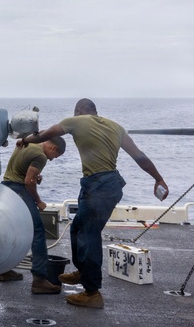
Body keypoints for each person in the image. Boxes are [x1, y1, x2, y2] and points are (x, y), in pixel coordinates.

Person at [17, 99, 169, 309]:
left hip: (98, 186)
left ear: (78, 110)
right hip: (109, 184)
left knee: (89, 235)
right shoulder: (116, 127)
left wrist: (25, 139)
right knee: (78, 227)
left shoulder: (76, 121)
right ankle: (83, 271)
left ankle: (92, 292)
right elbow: (139, 156)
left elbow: (45, 135)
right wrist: (158, 178)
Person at [0, 136, 67, 294]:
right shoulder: (41, 156)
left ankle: (4, 270)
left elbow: (22, 169)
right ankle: (39, 279)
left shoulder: (29, 142)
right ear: (53, 148)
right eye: (55, 157)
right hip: (18, 189)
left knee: (11, 230)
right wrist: (38, 201)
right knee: (37, 231)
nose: (51, 160)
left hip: (6, 188)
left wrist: (34, 176)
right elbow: (29, 182)